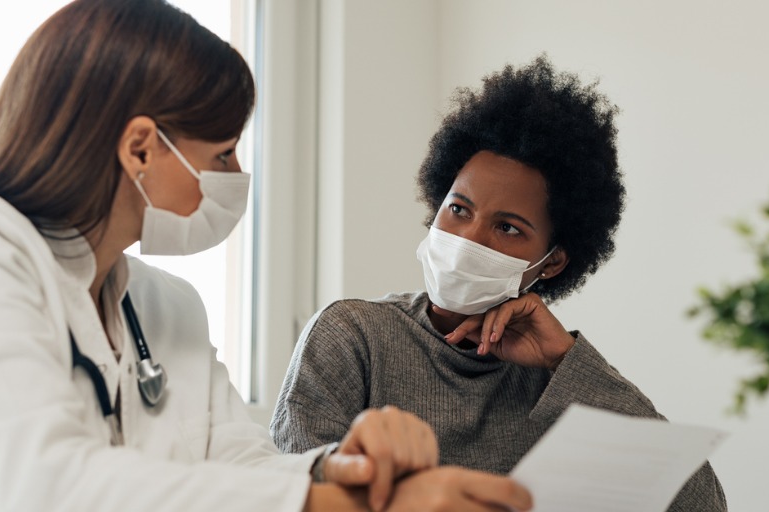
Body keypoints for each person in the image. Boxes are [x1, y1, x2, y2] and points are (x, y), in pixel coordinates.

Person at [0, 1, 535, 511]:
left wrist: (343, 472)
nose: (235, 175)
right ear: (141, 147)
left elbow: (240, 461)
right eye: (222, 153)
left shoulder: (166, 305)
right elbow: (42, 485)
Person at [271, 55, 728, 511]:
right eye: (459, 209)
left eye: (508, 228)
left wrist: (566, 361)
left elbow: (699, 503)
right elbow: (289, 494)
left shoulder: (558, 380)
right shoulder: (352, 336)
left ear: (552, 263)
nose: (469, 238)